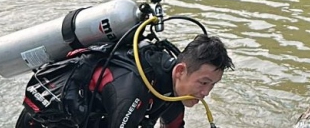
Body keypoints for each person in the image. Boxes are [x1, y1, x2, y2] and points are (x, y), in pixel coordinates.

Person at [16, 33, 233, 128]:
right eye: (204, 82)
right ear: (180, 71)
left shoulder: (173, 91)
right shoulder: (133, 89)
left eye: (212, 85)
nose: (206, 93)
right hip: (41, 123)